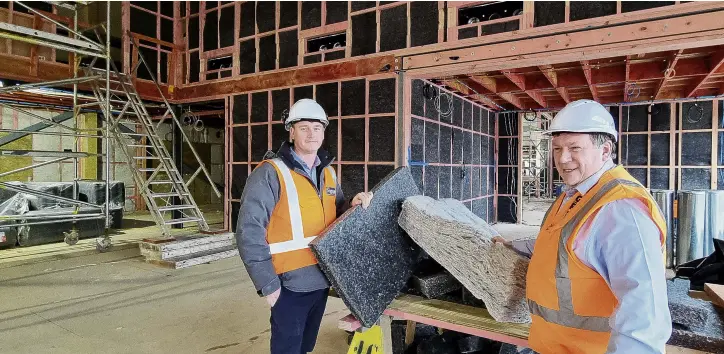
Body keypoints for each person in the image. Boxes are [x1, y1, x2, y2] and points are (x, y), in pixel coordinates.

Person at [493, 99, 671, 353]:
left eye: (575, 148)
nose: (563, 159)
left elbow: (643, 313)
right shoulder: (576, 194)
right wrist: (512, 244)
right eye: (556, 149)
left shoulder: (620, 208)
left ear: (605, 151)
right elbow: (559, 244)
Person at [236, 98, 373, 354]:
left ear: (324, 132)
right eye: (304, 127)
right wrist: (269, 286)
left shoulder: (328, 173)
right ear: (292, 131)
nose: (312, 133)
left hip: (321, 279)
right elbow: (248, 231)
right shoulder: (270, 173)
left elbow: (336, 213)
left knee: (305, 347)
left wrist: (351, 205)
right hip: (288, 284)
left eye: (317, 128)